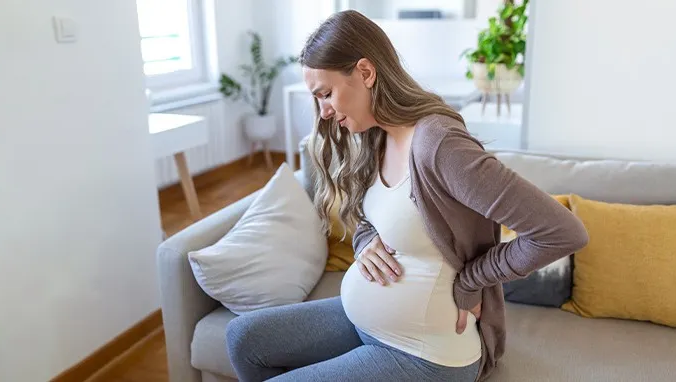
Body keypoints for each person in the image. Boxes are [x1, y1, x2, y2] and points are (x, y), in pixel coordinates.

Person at [225, 10, 589, 382]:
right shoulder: (374, 133)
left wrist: (471, 280)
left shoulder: (440, 145)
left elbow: (561, 232)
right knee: (242, 339)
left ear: (366, 72)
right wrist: (366, 241)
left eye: (327, 93)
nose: (324, 112)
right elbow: (376, 216)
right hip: (367, 323)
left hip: (426, 353)